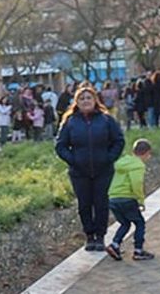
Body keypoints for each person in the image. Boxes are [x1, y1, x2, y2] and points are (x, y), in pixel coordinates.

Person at [54, 85, 126, 251]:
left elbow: (118, 141)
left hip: (103, 170)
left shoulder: (107, 120)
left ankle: (100, 236)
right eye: (82, 98)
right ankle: (89, 236)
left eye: (89, 98)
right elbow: (60, 145)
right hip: (79, 172)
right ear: (76, 102)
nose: (85, 101)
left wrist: (109, 158)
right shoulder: (70, 122)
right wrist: (73, 160)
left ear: (95, 100)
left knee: (101, 203)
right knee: (84, 205)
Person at [104, 139, 154, 261]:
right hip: (127, 198)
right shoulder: (138, 165)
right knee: (139, 223)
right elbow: (136, 183)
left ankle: (115, 245)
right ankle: (138, 250)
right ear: (146, 153)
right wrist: (140, 200)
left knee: (125, 223)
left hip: (113, 198)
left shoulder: (121, 161)